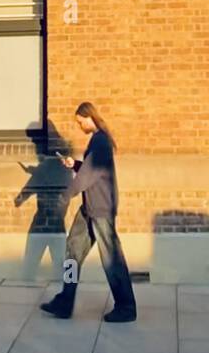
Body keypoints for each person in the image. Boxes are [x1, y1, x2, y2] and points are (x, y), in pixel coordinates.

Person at [40, 101, 137, 323]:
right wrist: (74, 164)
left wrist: (65, 196)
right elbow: (88, 169)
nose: (80, 126)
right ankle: (65, 300)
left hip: (101, 210)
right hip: (89, 208)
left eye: (80, 122)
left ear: (89, 117)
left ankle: (126, 307)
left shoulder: (100, 141)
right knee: (72, 252)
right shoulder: (97, 141)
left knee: (112, 259)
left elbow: (88, 176)